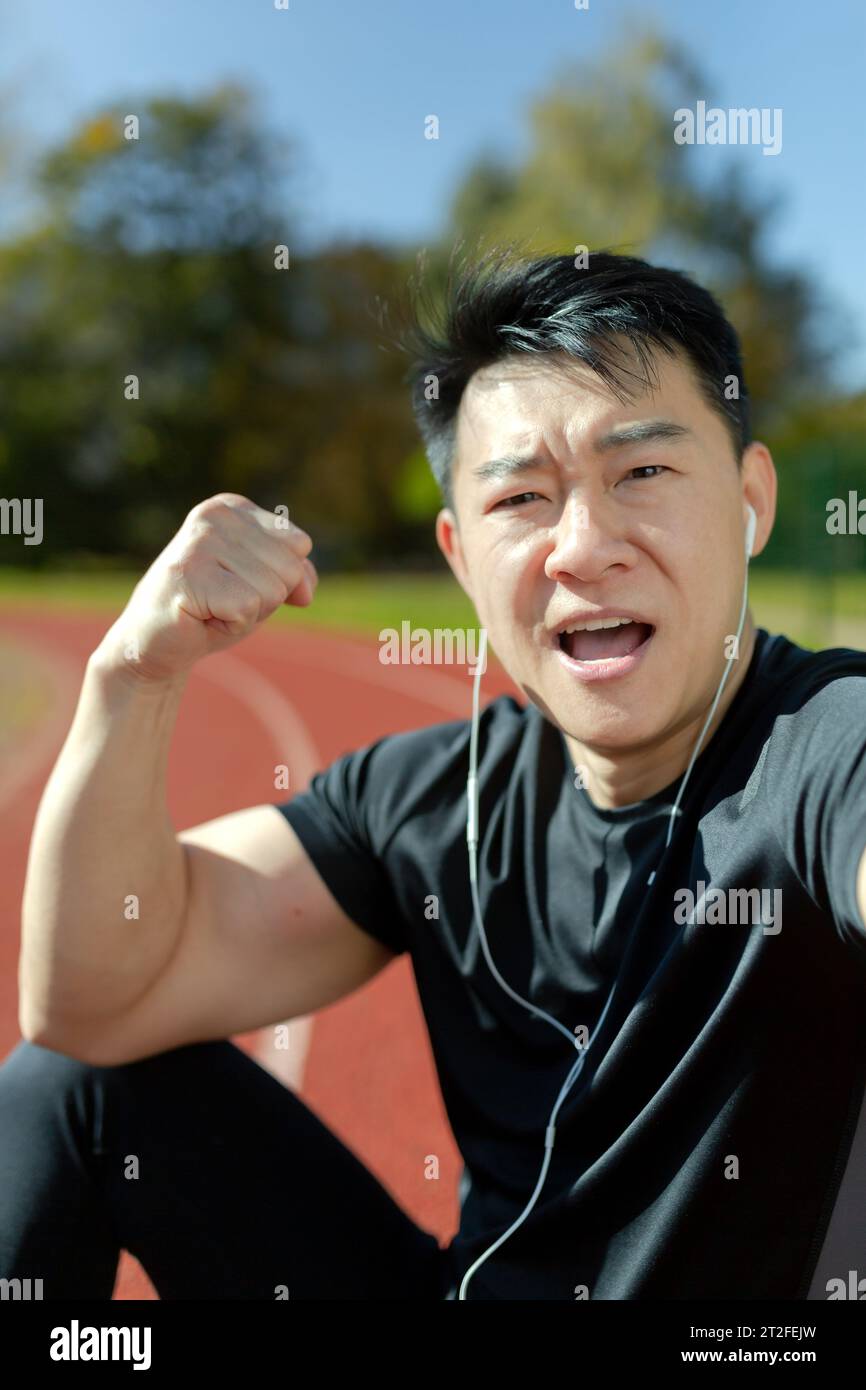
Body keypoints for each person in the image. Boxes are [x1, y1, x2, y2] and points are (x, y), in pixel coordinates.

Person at [3, 249, 866, 1301]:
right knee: (75, 1090)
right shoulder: (430, 801)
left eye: (640, 471)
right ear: (460, 556)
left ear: (748, 500)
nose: (581, 546)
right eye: (522, 499)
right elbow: (90, 1002)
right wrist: (131, 680)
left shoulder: (824, 745)